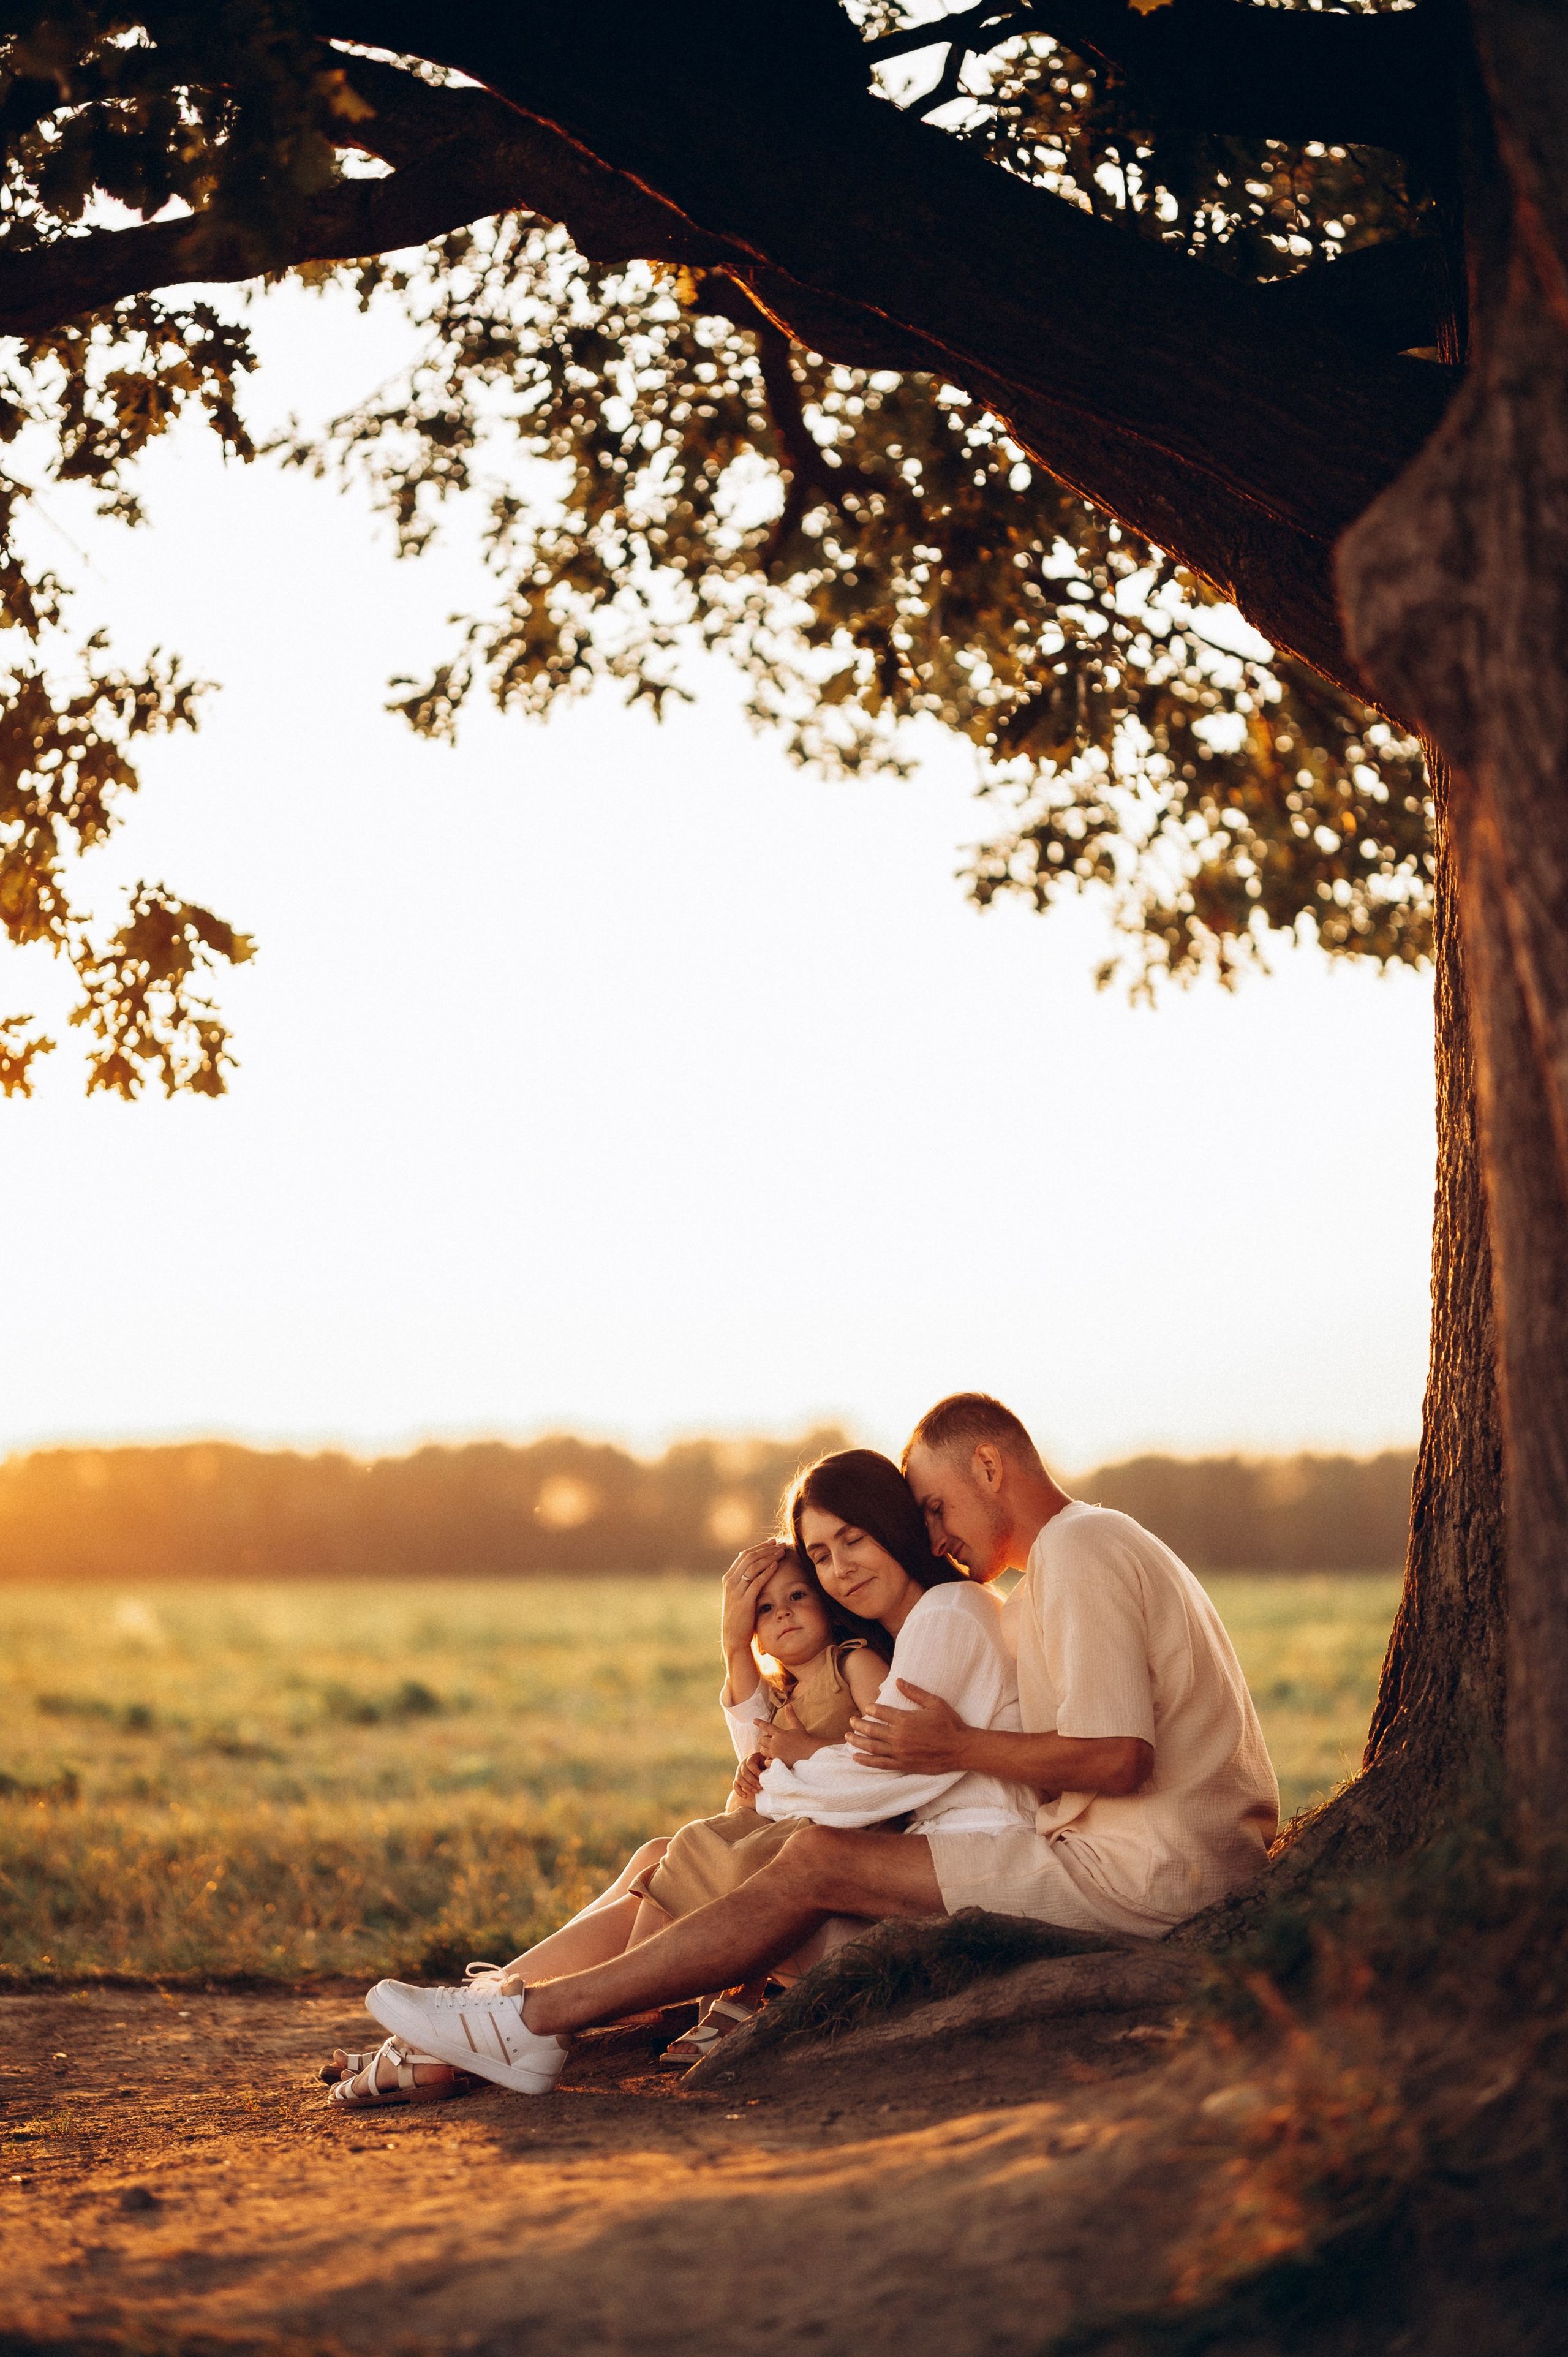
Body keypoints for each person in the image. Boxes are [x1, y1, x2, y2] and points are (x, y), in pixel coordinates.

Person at [358, 1446, 1038, 2095]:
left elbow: (872, 1775)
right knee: (671, 1852)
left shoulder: (948, 1613)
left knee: (694, 1852)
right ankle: (475, 2017)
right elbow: (771, 1766)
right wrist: (734, 1649)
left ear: (892, 1521)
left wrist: (773, 1775)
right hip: (896, 1861)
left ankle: (492, 2022)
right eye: (822, 1554)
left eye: (854, 1538)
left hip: (953, 1874)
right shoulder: (896, 1635)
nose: (840, 1568)